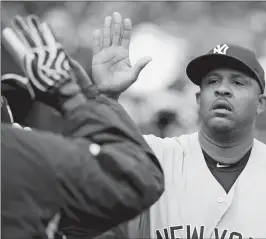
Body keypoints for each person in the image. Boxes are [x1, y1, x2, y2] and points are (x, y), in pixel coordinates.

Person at [82, 12, 266, 239]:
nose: (222, 89)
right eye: (212, 81)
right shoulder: (152, 157)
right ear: (199, 100)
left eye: (238, 82)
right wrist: (106, 98)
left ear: (261, 104)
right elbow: (81, 173)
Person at [1, 15, 164, 239]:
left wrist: (103, 99)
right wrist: (75, 97)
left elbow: (88, 225)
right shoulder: (21, 157)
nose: (21, 126)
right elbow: (133, 180)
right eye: (12, 113)